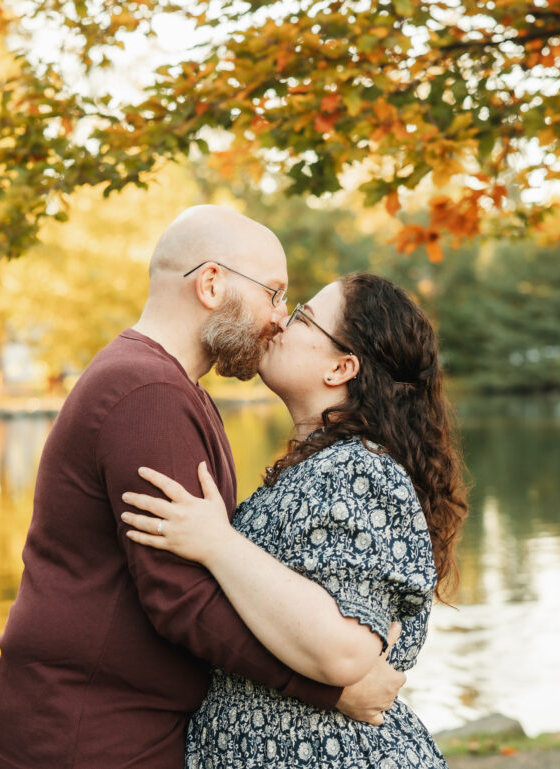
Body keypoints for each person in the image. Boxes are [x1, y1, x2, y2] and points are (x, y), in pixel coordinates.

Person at [0, 208, 407, 769]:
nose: (279, 318)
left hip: (113, 725)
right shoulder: (145, 391)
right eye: (273, 293)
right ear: (211, 283)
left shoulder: (170, 385)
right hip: (87, 732)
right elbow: (180, 598)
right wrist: (331, 689)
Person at [121, 273, 468, 768]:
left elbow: (344, 654)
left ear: (341, 368)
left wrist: (217, 543)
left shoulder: (360, 470)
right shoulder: (320, 467)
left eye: (303, 316)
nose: (281, 320)